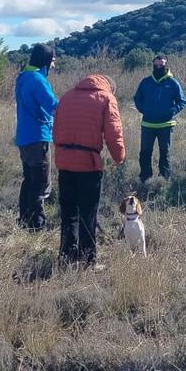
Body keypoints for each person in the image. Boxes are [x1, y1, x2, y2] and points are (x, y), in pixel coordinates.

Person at [52, 74, 126, 269]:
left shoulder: (67, 96)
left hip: (64, 162)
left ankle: (67, 257)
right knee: (88, 213)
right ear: (110, 87)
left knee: (69, 213)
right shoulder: (106, 98)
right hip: (88, 164)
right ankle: (88, 260)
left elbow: (56, 130)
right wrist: (119, 157)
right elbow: (114, 133)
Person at [14, 43, 58, 230]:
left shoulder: (23, 77)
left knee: (29, 180)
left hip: (24, 137)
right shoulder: (38, 80)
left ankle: (24, 220)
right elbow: (54, 106)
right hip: (38, 136)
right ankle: (37, 225)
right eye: (53, 61)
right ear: (46, 61)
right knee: (40, 183)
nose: (54, 65)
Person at [133, 54, 186, 181]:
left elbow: (182, 101)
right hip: (148, 124)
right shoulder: (145, 82)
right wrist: (144, 110)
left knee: (165, 153)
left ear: (165, 64)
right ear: (153, 64)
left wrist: (172, 111)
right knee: (145, 153)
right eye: (156, 65)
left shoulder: (173, 83)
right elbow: (137, 98)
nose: (158, 67)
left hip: (166, 125)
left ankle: (164, 179)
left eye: (161, 65)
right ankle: (145, 179)